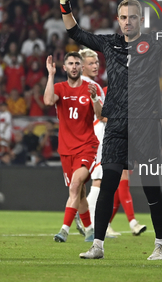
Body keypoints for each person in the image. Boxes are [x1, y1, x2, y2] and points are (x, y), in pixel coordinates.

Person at [60, 0, 162, 260]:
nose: (128, 21)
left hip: (147, 122)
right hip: (116, 123)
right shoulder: (109, 43)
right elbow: (76, 34)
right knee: (109, 183)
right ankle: (98, 245)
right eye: (124, 17)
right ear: (118, 20)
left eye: (133, 17)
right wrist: (65, 8)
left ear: (141, 20)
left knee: (151, 186)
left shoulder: (154, 42)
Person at [77, 48, 146, 238]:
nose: (96, 66)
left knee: (99, 181)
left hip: (93, 134)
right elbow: (101, 115)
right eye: (91, 63)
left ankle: (93, 223)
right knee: (98, 181)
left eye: (97, 63)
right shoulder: (92, 87)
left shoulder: (91, 86)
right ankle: (88, 222)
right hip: (97, 136)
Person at [43, 52, 103, 243]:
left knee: (76, 185)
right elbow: (47, 101)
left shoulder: (91, 88)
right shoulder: (59, 88)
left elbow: (101, 115)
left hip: (87, 145)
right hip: (66, 149)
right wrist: (50, 75)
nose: (74, 66)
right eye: (71, 63)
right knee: (80, 193)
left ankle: (64, 230)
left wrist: (94, 99)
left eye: (77, 63)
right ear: (65, 68)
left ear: (81, 67)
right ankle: (90, 229)